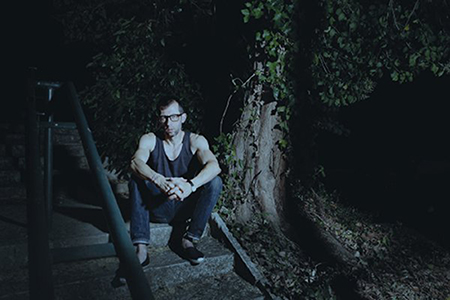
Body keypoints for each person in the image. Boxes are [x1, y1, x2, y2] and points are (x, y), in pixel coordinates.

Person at [129, 98, 222, 266]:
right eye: (164, 117)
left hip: (183, 205)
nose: (168, 123)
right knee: (137, 177)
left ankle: (189, 239)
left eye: (173, 117)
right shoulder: (150, 139)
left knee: (215, 181)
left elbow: (214, 166)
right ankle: (141, 248)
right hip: (158, 205)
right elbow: (135, 162)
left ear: (183, 117)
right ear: (159, 119)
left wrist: (190, 185)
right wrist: (158, 180)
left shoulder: (196, 141)